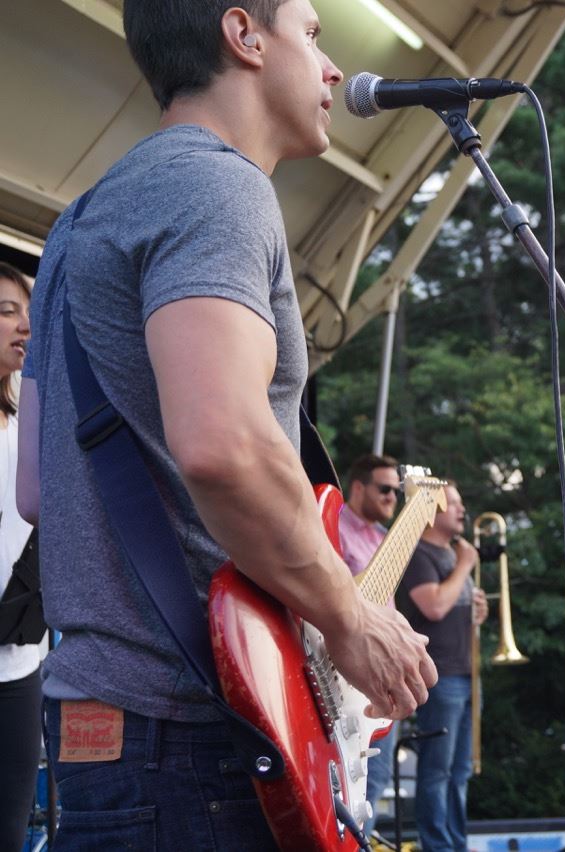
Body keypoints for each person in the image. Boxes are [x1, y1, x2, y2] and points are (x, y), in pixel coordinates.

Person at [16, 2, 437, 846]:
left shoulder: (76, 223)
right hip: (199, 737)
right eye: (312, 34)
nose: (328, 69)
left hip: (103, 730)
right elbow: (226, 446)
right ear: (244, 36)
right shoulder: (219, 184)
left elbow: (36, 487)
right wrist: (350, 620)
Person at [398, 481, 489, 851]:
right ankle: (439, 846)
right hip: (440, 675)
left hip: (466, 673)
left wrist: (477, 610)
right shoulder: (420, 554)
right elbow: (433, 606)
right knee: (438, 771)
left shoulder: (452, 556)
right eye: (452, 502)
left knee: (461, 772)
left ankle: (456, 843)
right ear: (432, 511)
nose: (461, 509)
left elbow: (451, 608)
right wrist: (466, 566)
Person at [337, 453, 402, 804]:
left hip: (384, 672)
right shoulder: (333, 527)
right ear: (359, 487)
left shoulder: (383, 537)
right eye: (385, 488)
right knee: (353, 787)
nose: (392, 496)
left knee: (375, 784)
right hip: (349, 673)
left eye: (396, 490)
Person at [0, 263, 36, 852]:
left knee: (9, 827)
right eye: (7, 310)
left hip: (17, 661)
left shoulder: (28, 412)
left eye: (27, 311)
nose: (25, 324)